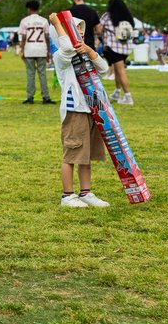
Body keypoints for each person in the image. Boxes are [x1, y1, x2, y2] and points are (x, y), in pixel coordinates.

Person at [49, 14, 110, 207]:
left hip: (90, 108)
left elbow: (104, 68)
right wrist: (58, 23)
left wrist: (90, 50)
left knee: (86, 155)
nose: (79, 37)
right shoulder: (61, 56)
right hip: (74, 109)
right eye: (74, 32)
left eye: (81, 33)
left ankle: (86, 193)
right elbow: (67, 47)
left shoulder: (84, 54)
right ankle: (68, 195)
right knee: (72, 153)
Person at [98, 0, 136, 105]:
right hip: (126, 48)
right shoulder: (127, 16)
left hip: (113, 47)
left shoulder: (108, 15)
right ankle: (117, 92)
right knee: (118, 69)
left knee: (120, 70)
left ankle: (128, 97)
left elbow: (99, 29)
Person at [18, 0, 53, 105]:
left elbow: (23, 37)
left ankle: (30, 97)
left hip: (29, 49)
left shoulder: (25, 21)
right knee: (42, 74)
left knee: (30, 73)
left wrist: (22, 50)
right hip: (41, 49)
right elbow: (47, 37)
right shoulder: (44, 21)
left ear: (29, 8)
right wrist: (48, 51)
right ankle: (45, 97)